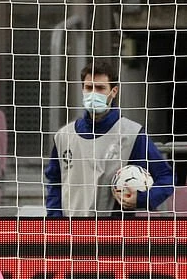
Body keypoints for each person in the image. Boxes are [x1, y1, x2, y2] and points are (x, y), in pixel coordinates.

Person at [45, 60, 174, 217]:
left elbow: (166, 177)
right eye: (89, 87)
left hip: (113, 228)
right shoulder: (63, 136)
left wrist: (142, 199)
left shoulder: (132, 134)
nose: (93, 93)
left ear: (113, 91)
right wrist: (55, 220)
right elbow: (54, 183)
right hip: (72, 229)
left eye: (100, 88)